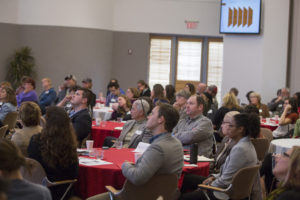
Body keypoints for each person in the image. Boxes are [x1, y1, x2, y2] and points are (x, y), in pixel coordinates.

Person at [180, 113, 259, 200]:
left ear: (240, 129)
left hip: (224, 193)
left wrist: (206, 186)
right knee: (186, 178)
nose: (227, 128)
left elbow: (225, 181)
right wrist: (213, 177)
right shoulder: (246, 144)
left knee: (182, 197)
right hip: (229, 187)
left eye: (231, 126)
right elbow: (229, 174)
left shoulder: (240, 149)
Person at [122, 103, 184, 185]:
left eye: (152, 114)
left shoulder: (158, 147)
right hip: (167, 193)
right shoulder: (177, 143)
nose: (148, 117)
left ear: (160, 119)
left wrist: (124, 164)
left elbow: (137, 177)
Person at [27, 106, 79, 200]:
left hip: (36, 190)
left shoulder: (35, 141)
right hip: (61, 192)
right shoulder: (69, 144)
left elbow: (32, 166)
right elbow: (74, 174)